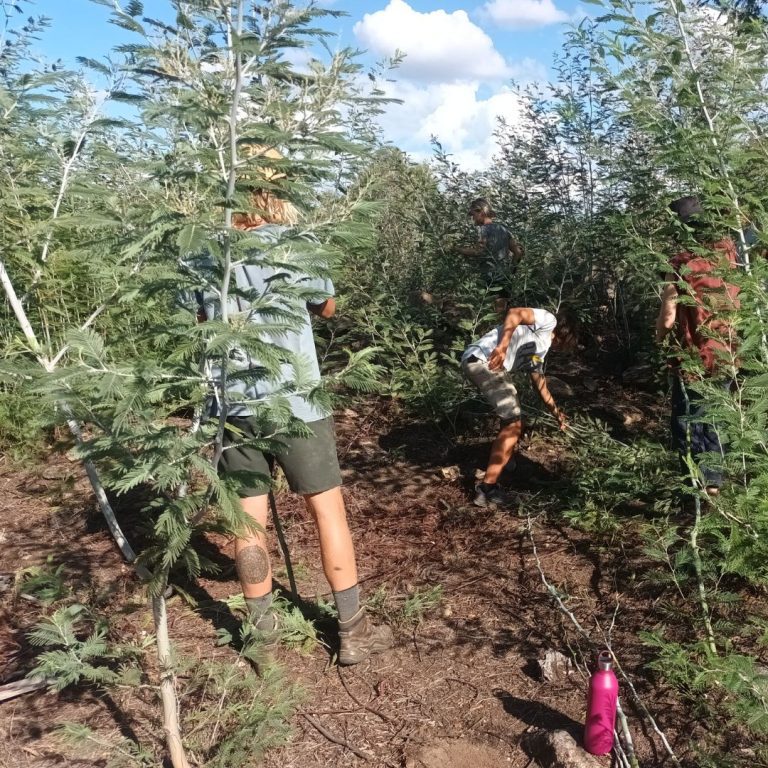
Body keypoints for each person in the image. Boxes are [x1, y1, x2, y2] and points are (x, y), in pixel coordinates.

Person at [195, 155, 392, 666]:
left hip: (234, 406)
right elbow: (327, 306)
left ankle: (262, 635)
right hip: (298, 403)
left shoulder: (206, 251)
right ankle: (351, 629)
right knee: (328, 513)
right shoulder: (296, 244)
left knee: (247, 524)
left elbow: (200, 318)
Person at [655, 196, 740, 496]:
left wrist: (659, 340)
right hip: (727, 352)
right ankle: (714, 483)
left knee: (688, 421)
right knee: (716, 416)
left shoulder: (680, 263)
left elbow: (667, 317)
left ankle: (695, 489)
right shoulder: (730, 256)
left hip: (692, 357)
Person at [462, 306, 568, 507]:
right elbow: (515, 313)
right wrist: (502, 346)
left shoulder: (541, 350)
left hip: (484, 364)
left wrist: (557, 414)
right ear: (568, 333)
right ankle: (486, 490)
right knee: (513, 423)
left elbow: (539, 383)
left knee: (517, 419)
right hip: (483, 361)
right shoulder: (548, 321)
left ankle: (504, 462)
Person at [456, 198, 523, 309]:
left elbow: (478, 251)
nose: (472, 219)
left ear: (481, 212)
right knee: (502, 312)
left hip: (490, 279)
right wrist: (512, 270)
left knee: (491, 313)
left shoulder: (483, 230)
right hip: (505, 278)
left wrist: (458, 249)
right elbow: (518, 252)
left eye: (473, 215)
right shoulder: (503, 229)